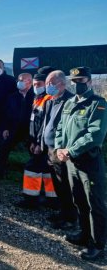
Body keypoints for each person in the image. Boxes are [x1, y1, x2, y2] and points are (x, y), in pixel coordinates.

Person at [55, 67, 107, 261]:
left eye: (81, 81)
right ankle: (84, 234)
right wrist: (60, 147)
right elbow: (60, 127)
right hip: (71, 163)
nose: (77, 85)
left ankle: (97, 244)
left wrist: (71, 150)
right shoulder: (69, 103)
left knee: (95, 205)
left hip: (89, 163)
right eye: (74, 81)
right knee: (79, 201)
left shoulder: (98, 104)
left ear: (90, 82)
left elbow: (95, 134)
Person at [41, 70, 77, 230]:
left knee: (66, 186)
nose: (47, 86)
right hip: (49, 149)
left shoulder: (71, 101)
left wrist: (64, 149)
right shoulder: (50, 100)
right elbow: (46, 123)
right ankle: (62, 212)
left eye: (51, 83)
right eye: (47, 83)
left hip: (61, 151)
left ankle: (70, 218)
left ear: (62, 84)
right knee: (57, 184)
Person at [18, 67, 56, 209]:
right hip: (36, 141)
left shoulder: (49, 99)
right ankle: (50, 200)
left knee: (33, 168)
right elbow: (34, 122)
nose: (35, 87)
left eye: (37, 84)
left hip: (44, 144)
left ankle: (31, 200)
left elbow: (46, 124)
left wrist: (39, 143)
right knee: (46, 171)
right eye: (34, 85)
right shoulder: (38, 98)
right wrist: (32, 141)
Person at [0, 73, 34, 179]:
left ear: (29, 82)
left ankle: (35, 177)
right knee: (4, 147)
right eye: (18, 80)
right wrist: (5, 128)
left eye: (22, 80)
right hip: (13, 128)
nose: (19, 82)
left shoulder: (35, 97)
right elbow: (5, 113)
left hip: (30, 129)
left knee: (34, 152)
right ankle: (0, 172)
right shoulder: (12, 97)